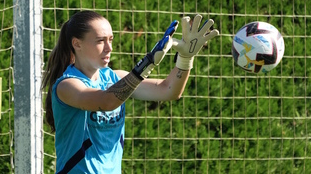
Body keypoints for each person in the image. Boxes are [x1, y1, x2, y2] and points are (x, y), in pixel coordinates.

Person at [42, 10, 219, 174]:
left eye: (110, 39)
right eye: (100, 41)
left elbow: (169, 91)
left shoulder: (115, 78)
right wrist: (146, 65)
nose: (109, 48)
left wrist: (185, 59)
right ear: (77, 44)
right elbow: (106, 102)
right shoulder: (67, 85)